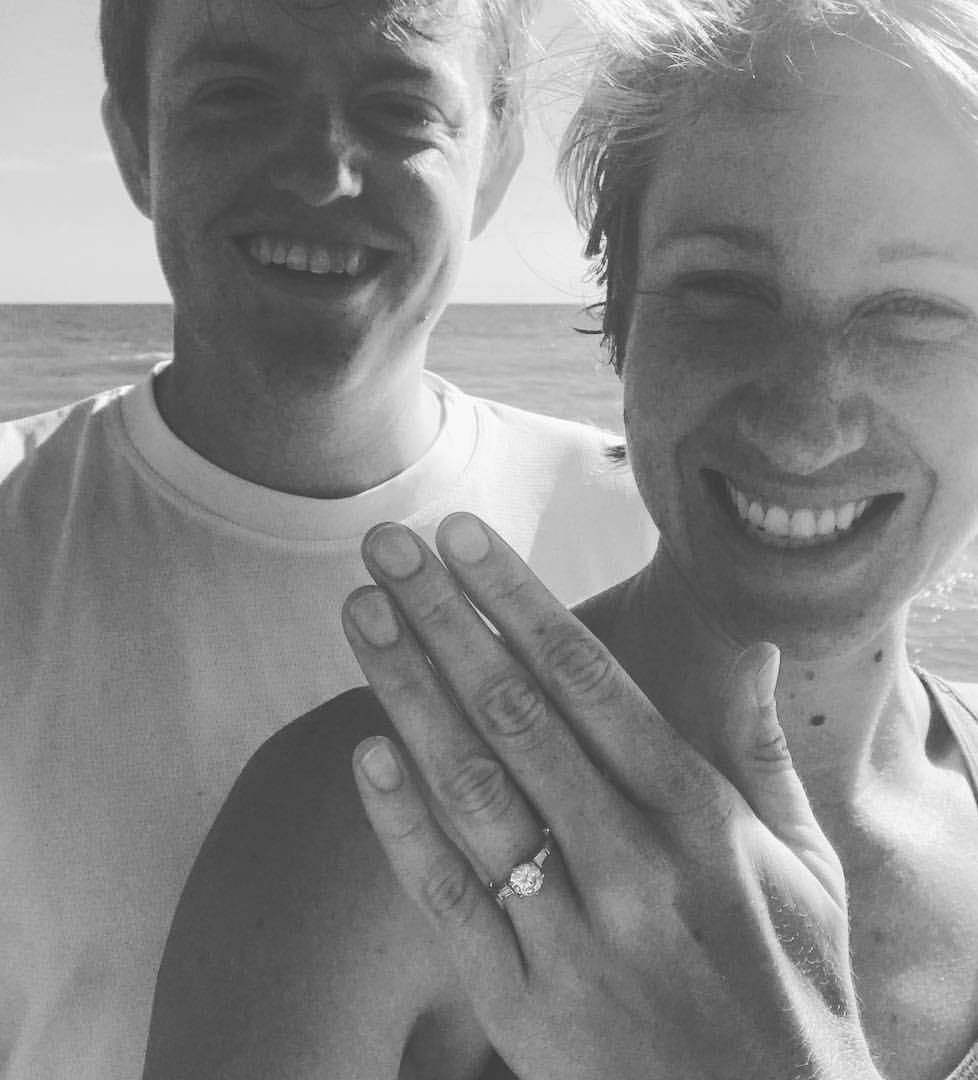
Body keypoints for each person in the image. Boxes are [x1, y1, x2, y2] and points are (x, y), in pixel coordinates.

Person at [143, 0, 978, 1077]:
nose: (805, 424)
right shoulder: (373, 832)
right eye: (721, 290)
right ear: (621, 321)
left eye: (918, 310)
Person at [0, 0, 658, 1075]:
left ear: (496, 161)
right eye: (236, 96)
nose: (321, 176)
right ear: (134, 144)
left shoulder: (649, 536)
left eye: (400, 107)